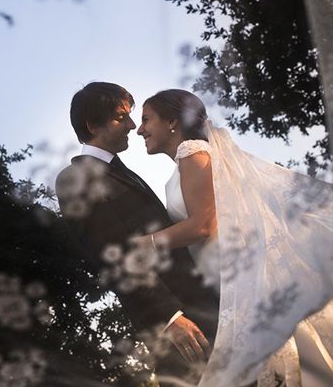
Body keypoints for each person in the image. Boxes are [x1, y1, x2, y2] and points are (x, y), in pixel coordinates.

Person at [135, 89, 333, 386]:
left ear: (171, 122)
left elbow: (203, 225)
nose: (140, 129)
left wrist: (147, 243)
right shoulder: (193, 159)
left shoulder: (192, 152)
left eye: (146, 119)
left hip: (238, 280)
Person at [55, 82, 219, 380]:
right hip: (178, 326)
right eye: (122, 118)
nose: (132, 125)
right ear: (93, 125)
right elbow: (112, 256)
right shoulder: (75, 178)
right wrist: (169, 319)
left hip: (206, 308)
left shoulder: (124, 174)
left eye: (134, 116)